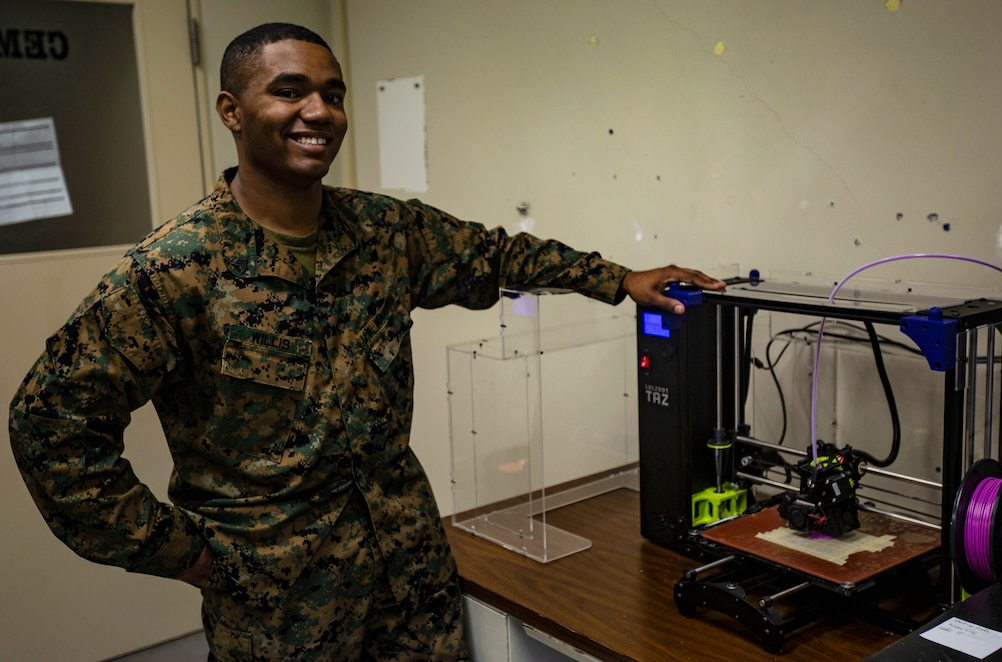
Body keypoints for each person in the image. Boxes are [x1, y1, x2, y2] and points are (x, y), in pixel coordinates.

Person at [9, 22, 724, 661]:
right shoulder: (175, 269)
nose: (319, 112)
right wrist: (179, 551)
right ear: (231, 110)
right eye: (290, 92)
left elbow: (497, 255)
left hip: (406, 570)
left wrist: (620, 277)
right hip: (279, 601)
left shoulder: (384, 233)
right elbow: (50, 423)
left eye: (332, 93)